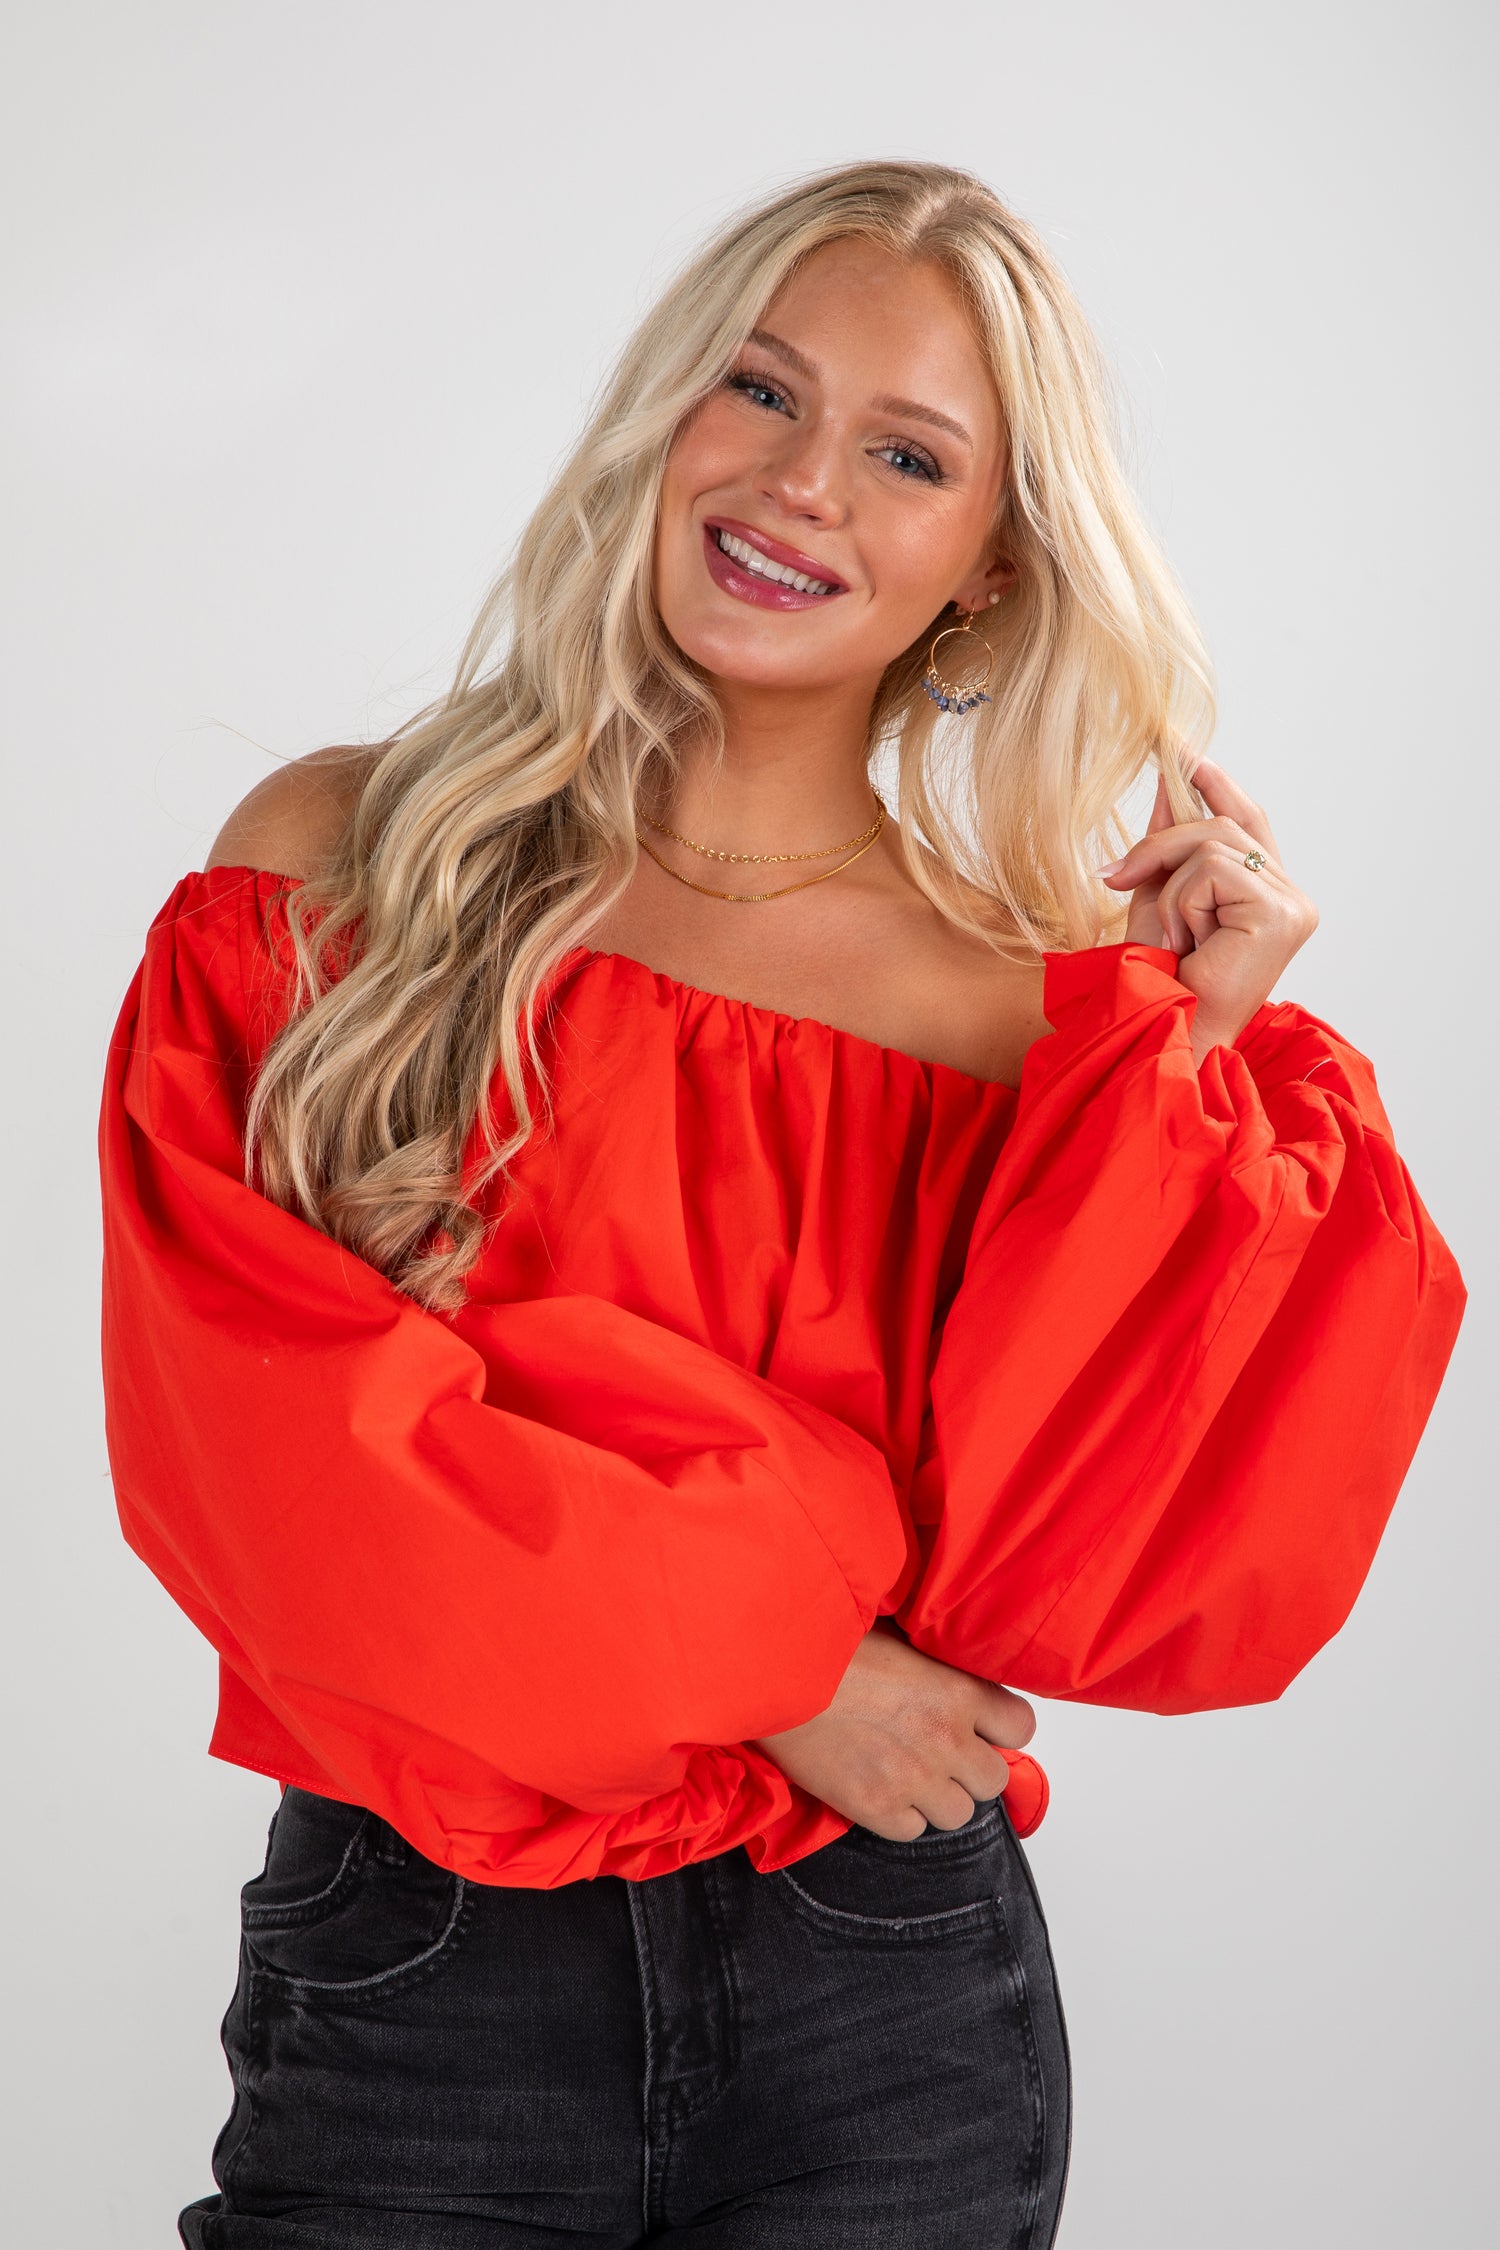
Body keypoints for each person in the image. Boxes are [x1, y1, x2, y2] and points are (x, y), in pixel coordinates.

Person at [98, 160, 1464, 2248]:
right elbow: (269, 1458)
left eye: (907, 455)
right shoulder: (345, 863)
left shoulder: (1019, 1016)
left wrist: (1200, 1059)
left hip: (880, 1993)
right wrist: (784, 1662)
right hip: (422, 1970)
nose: (804, 483)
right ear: (666, 418)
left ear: (987, 570)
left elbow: (1120, 1579)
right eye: (761, 391)